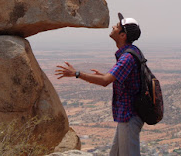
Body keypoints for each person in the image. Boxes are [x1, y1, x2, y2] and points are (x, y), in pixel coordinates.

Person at [55, 13, 143, 156]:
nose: (113, 26)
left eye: (117, 26)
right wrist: (103, 76)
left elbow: (105, 82)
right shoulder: (131, 52)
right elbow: (115, 79)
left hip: (129, 116)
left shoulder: (127, 57)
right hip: (126, 115)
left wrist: (76, 73)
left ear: (123, 35)